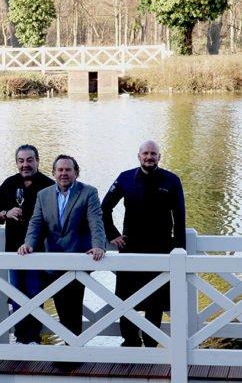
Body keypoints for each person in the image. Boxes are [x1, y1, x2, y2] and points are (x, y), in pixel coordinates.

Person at [18, 154, 106, 366]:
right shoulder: (44, 195)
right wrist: (28, 243)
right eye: (60, 170)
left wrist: (99, 246)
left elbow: (95, 221)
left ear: (76, 172)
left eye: (68, 170)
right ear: (54, 173)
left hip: (78, 260)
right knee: (60, 307)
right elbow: (36, 223)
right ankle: (69, 353)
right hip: (53, 260)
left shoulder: (88, 192)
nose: (64, 173)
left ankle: (73, 357)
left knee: (73, 307)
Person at [101, 140, 185, 347]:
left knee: (156, 298)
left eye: (153, 154)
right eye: (145, 153)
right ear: (138, 156)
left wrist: (179, 250)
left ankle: (151, 341)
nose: (149, 157)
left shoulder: (172, 180)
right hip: (130, 247)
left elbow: (180, 218)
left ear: (159, 157)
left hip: (160, 249)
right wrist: (112, 234)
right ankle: (130, 340)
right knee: (126, 297)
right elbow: (104, 208)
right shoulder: (125, 178)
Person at [0, 144, 54, 345]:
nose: (25, 165)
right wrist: (6, 213)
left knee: (35, 294)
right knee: (15, 294)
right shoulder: (9, 183)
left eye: (29, 160)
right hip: (13, 251)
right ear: (16, 162)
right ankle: (21, 337)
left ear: (37, 161)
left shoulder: (48, 185)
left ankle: (34, 338)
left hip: (39, 251)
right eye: (21, 161)